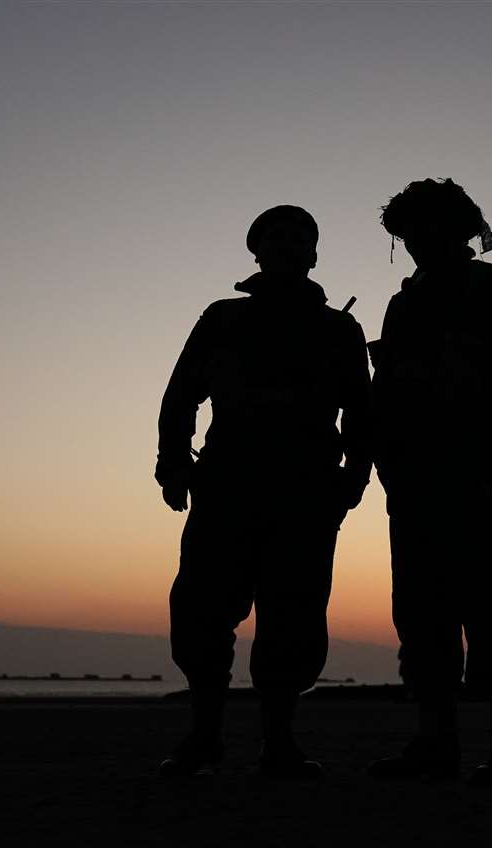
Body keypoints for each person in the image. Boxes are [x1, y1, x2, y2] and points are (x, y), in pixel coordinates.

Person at [154, 205, 371, 779]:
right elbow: (181, 397)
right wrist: (172, 465)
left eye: (302, 237)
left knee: (294, 618)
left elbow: (362, 411)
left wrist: (356, 474)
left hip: (306, 494)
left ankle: (280, 744)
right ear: (256, 249)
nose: (290, 246)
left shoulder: (338, 330)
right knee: (202, 613)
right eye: (276, 237)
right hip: (226, 486)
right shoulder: (222, 319)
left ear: (315, 253)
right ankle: (204, 737)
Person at [365, 179, 492, 788]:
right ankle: (436, 742)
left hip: (474, 477)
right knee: (421, 615)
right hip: (413, 482)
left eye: (430, 227)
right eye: (410, 230)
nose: (419, 240)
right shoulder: (404, 301)